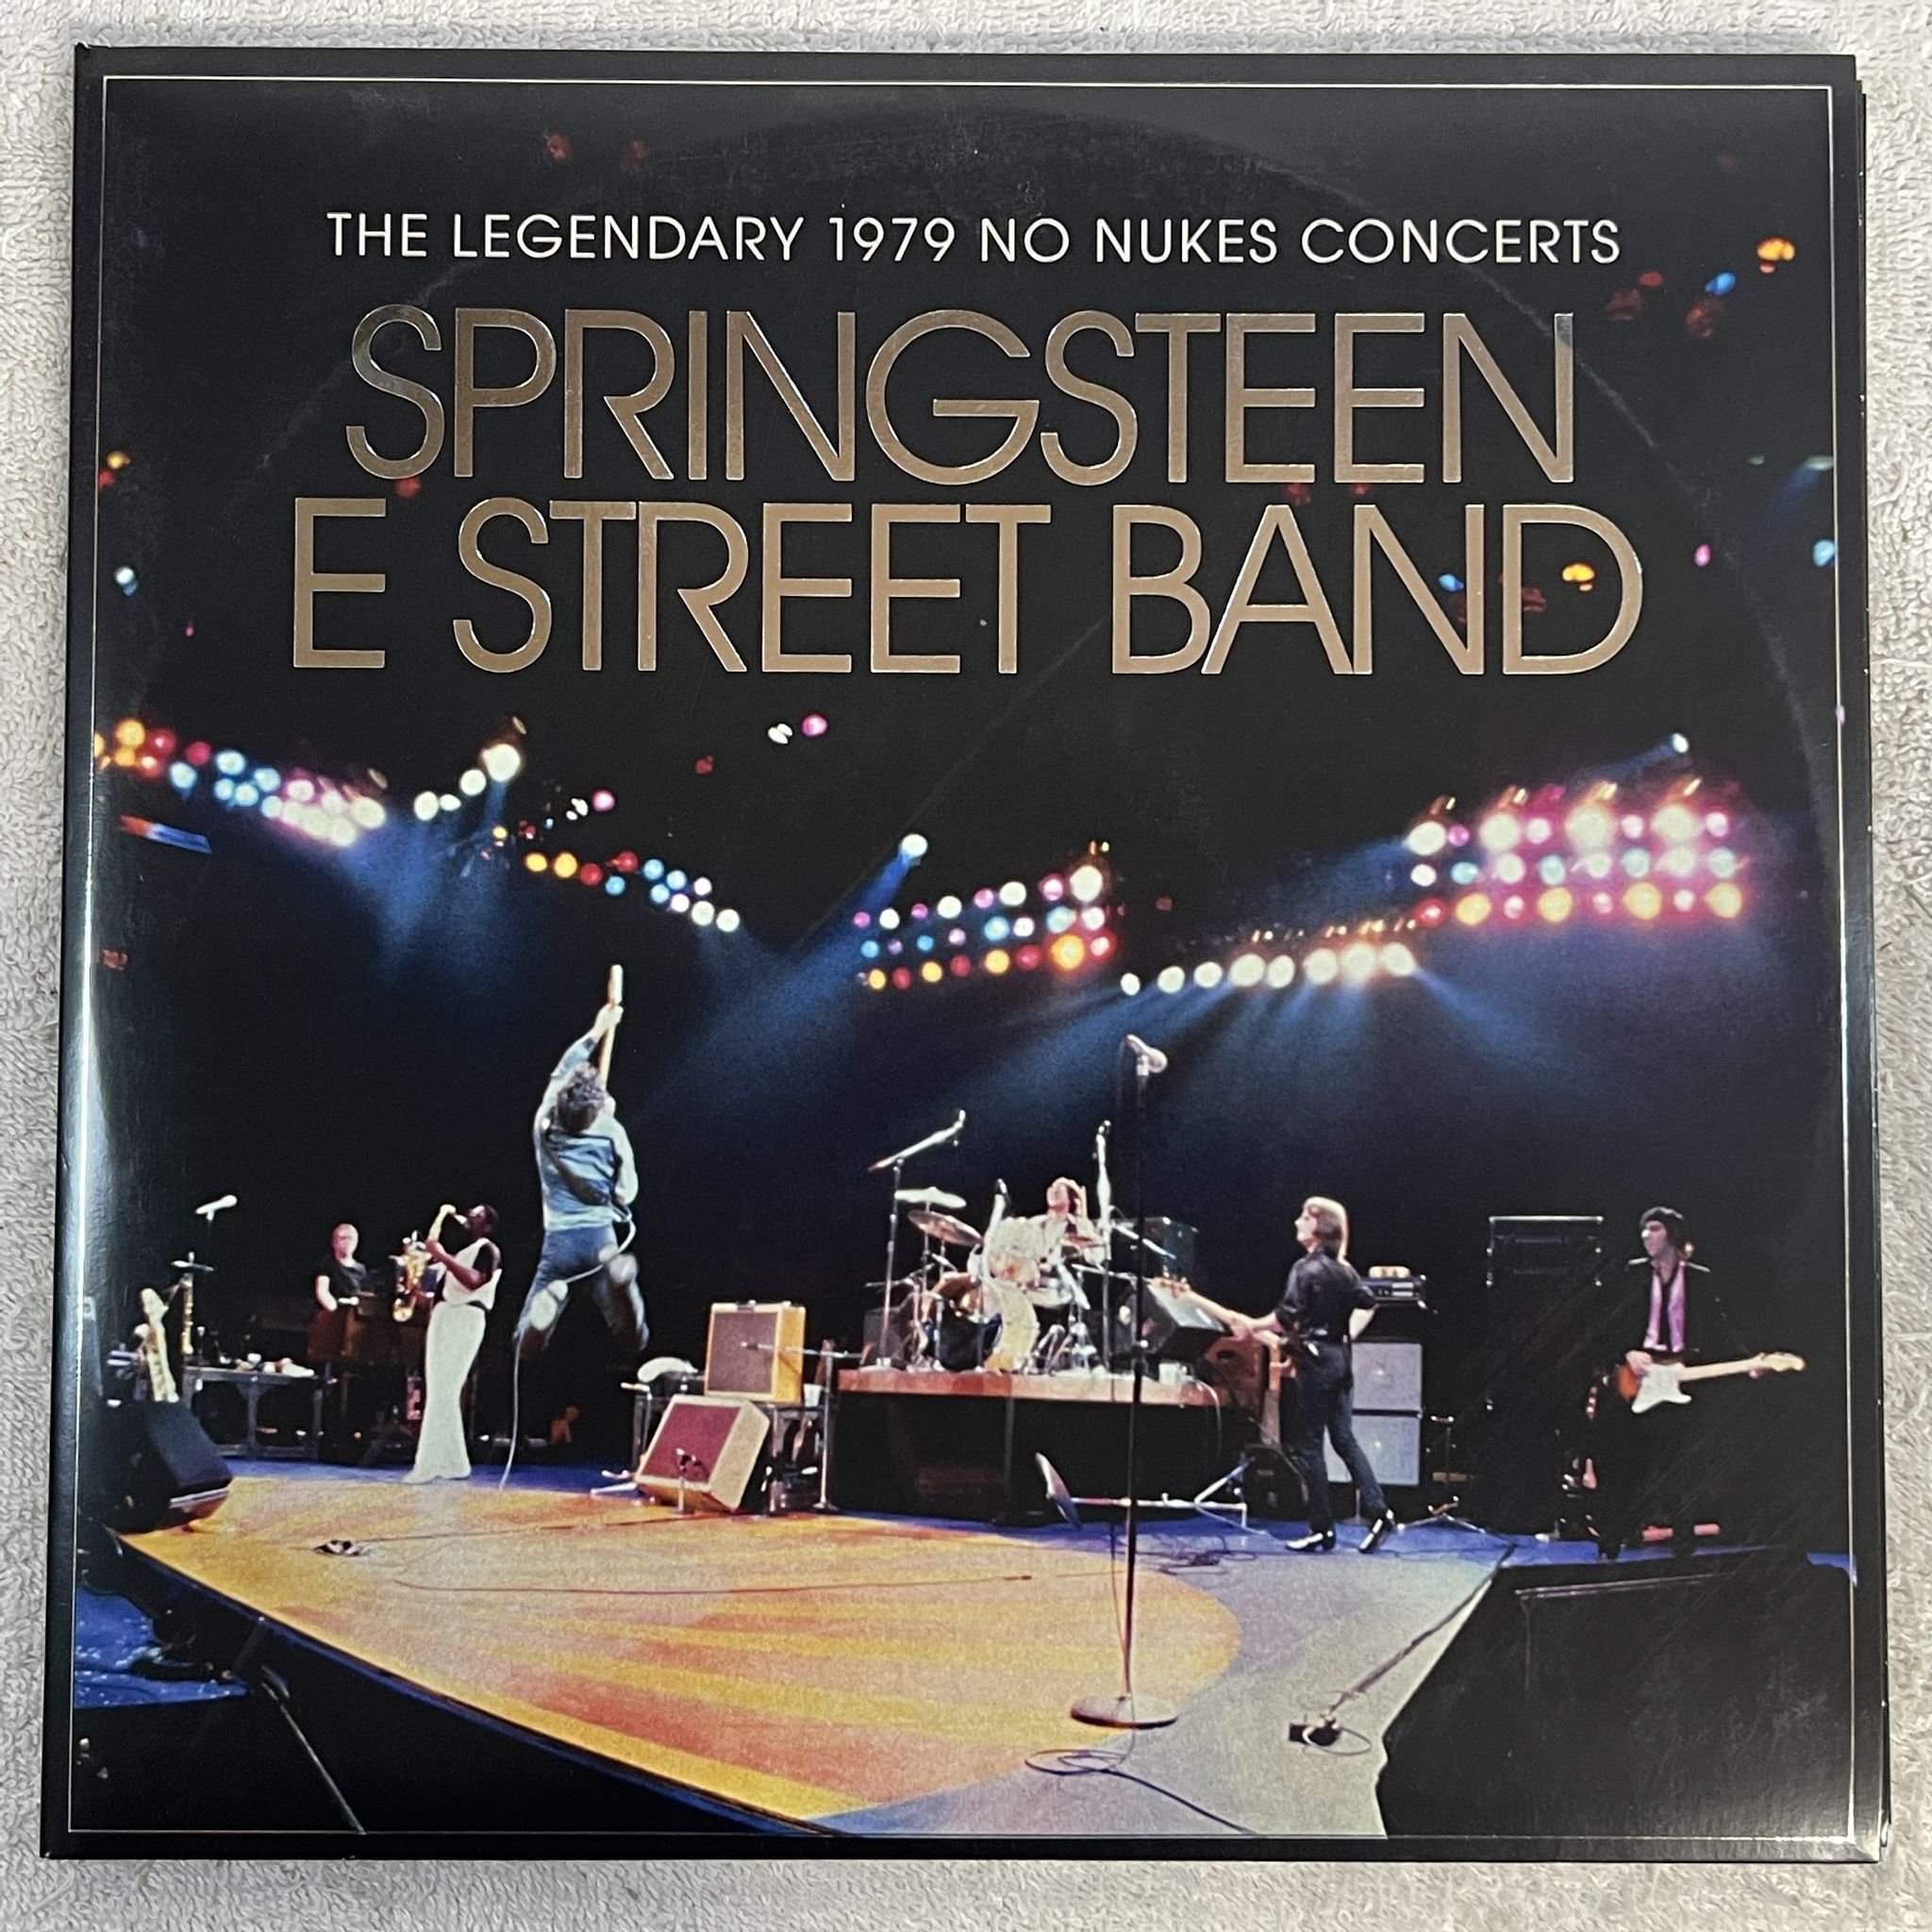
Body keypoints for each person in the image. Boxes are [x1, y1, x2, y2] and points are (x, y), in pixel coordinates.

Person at [1183, 1197, 1395, 1552]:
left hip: (1316, 1364)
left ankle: (1322, 1529)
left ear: (1319, 1226)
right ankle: (1380, 1512)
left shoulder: (1305, 1268)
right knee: (1344, 1439)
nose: (1297, 1222)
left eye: (1304, 1217)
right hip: (1340, 1360)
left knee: (1309, 1446)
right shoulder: (1345, 1271)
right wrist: (1345, 1335)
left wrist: (1253, 1325)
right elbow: (1368, 1303)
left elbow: (1284, 1317)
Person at [1591, 1206, 1745, 1560]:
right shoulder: (1631, 1275)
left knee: (1681, 1466)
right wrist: (1627, 1351)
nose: (1647, 1236)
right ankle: (1614, 1539)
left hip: (1677, 1375)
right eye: (1644, 1229)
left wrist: (1747, 1361)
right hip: (1636, 1377)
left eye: (1656, 1229)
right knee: (1622, 1461)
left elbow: (1719, 1326)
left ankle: (1683, 1544)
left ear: (1673, 1235)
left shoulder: (1699, 1279)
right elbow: (1604, 1326)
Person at [511, 1000, 647, 1364]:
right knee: (632, 1337)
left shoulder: (543, 1123)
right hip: (600, 1238)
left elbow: (563, 1068)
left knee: (523, 1343)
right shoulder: (611, 1132)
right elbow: (627, 1193)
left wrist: (597, 1030)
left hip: (559, 1241)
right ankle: (622, 1286)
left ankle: (541, 1321)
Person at [405, 1203, 502, 1483]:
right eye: (470, 1212)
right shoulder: (463, 1254)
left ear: (488, 1226)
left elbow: (474, 1281)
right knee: (440, 1392)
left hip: (465, 1318)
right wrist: (417, 1293)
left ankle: (427, 1464)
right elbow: (447, 1292)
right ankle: (456, 1463)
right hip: (446, 1317)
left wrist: (441, 1256)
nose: (470, 1216)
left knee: (444, 1392)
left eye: (477, 1215)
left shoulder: (487, 1250)